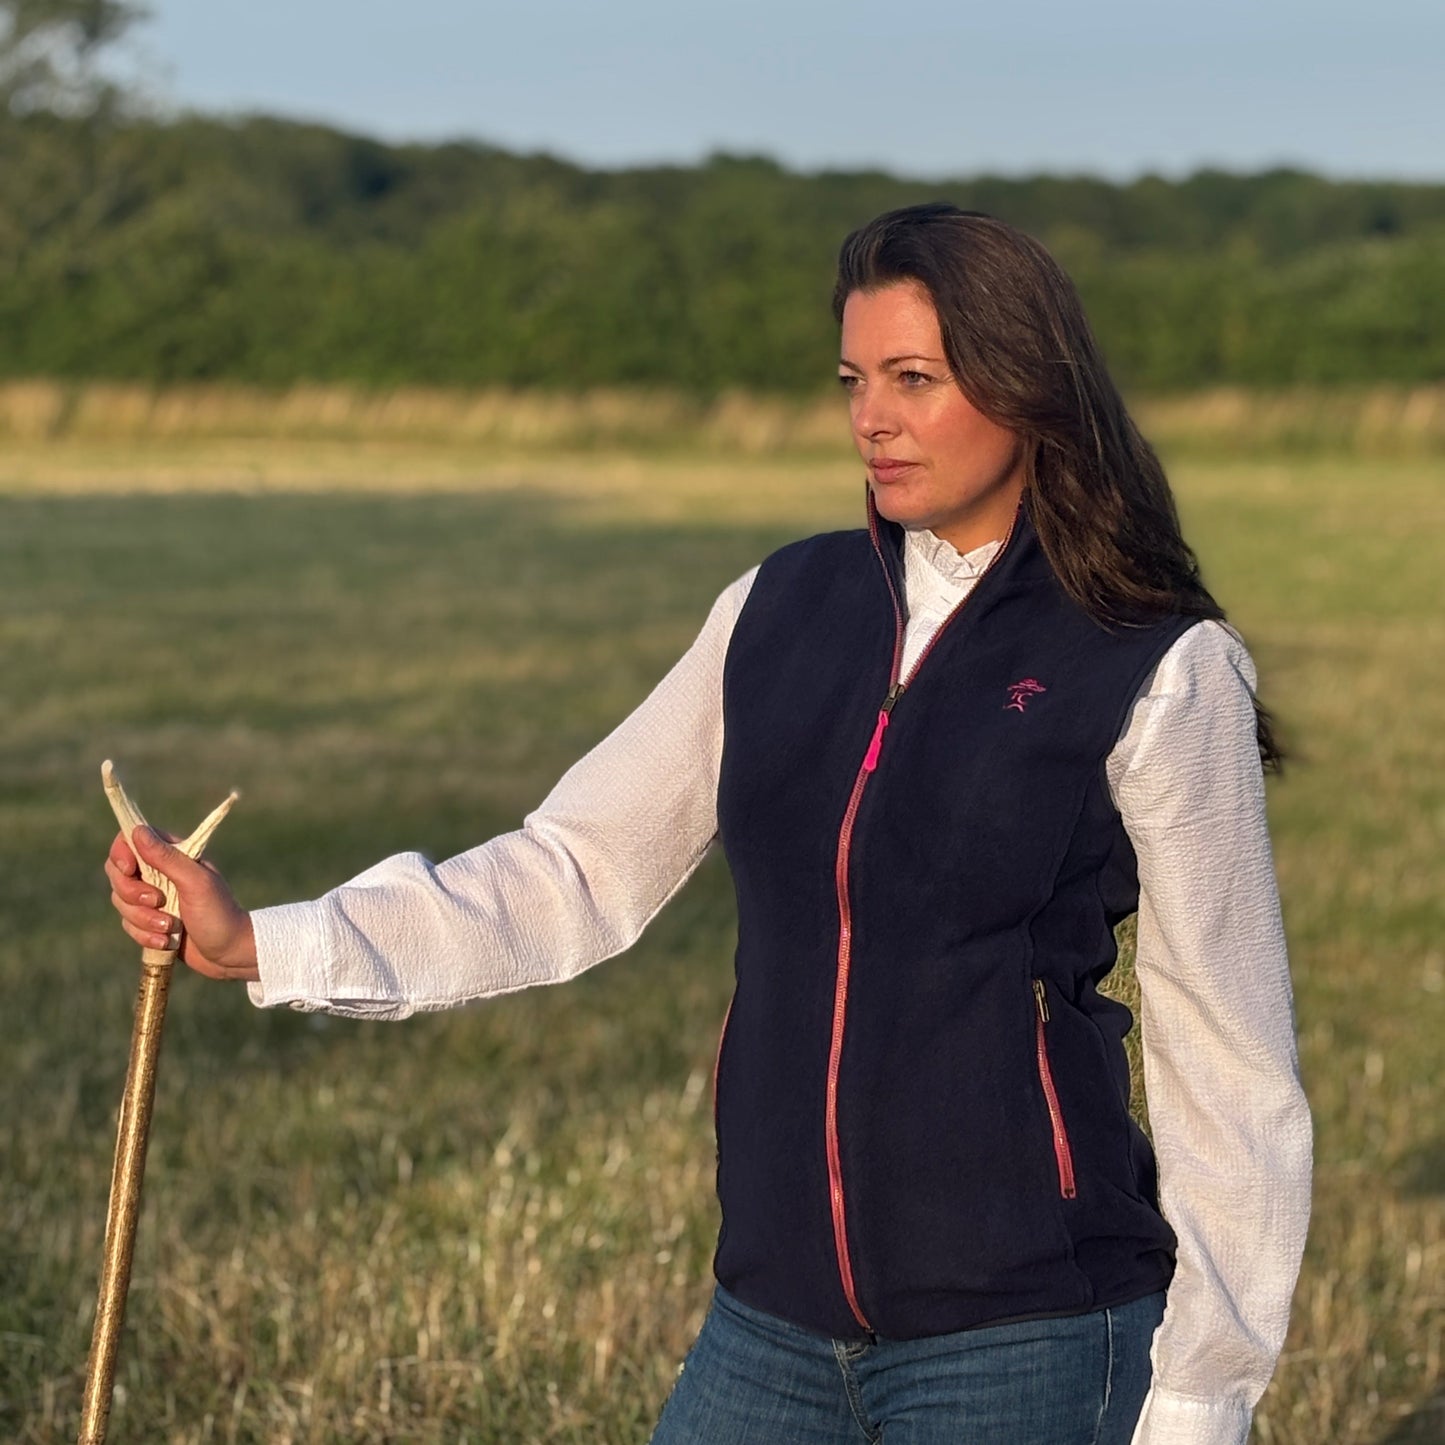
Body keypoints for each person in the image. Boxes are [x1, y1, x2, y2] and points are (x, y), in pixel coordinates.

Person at [105, 204, 1312, 1445]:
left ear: (1026, 387)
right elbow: (573, 868)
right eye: (853, 379)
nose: (870, 418)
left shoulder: (1156, 664)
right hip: (770, 1326)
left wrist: (1200, 1395)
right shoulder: (777, 606)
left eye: (914, 378)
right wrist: (266, 941)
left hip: (1027, 1333)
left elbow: (1224, 1053)